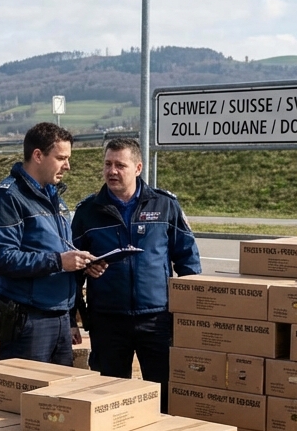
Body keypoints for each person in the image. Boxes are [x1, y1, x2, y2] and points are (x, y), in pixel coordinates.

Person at [71, 137, 200, 406]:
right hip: (108, 321)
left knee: (163, 396)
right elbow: (72, 268)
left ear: (138, 168)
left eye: (120, 165)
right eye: (107, 164)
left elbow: (187, 260)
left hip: (157, 320)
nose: (112, 171)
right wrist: (75, 311)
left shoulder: (165, 205)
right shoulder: (87, 211)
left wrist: (190, 314)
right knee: (109, 399)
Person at [0, 122, 93, 365]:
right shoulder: (7, 197)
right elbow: (1, 260)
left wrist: (82, 262)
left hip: (60, 317)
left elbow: (59, 248)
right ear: (38, 155)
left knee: (58, 399)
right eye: (61, 157)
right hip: (28, 320)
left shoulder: (55, 199)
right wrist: (59, 261)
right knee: (27, 396)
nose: (68, 166)